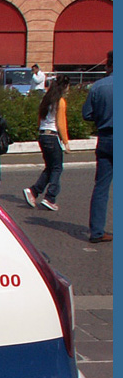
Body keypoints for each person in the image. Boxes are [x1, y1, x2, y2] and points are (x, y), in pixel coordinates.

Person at [23, 76, 71, 212]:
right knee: (57, 168)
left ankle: (33, 191)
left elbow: (40, 119)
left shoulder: (46, 100)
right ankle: (50, 197)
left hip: (43, 135)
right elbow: (61, 123)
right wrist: (66, 142)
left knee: (49, 167)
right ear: (64, 87)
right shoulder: (60, 102)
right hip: (52, 136)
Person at [83, 50, 113, 243]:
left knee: (101, 187)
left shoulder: (98, 87)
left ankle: (97, 231)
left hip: (106, 138)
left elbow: (87, 114)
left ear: (108, 65)